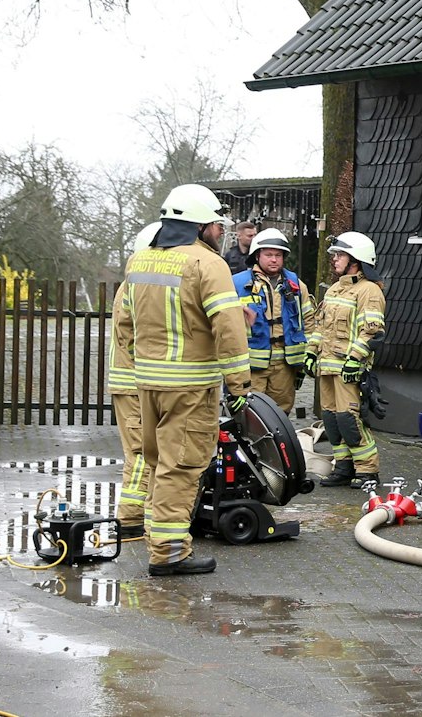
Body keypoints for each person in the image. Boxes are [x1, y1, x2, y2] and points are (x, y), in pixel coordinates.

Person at [112, 184, 250, 576]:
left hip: (146, 385)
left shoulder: (140, 261)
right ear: (200, 226)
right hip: (190, 388)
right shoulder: (208, 265)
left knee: (156, 463)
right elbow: (229, 328)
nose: (220, 234)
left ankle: (161, 541)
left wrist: (145, 363)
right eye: (216, 227)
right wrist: (239, 386)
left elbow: (124, 325)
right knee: (182, 465)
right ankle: (170, 553)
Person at [307, 231, 384, 489]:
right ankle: (343, 467)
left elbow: (372, 332)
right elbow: (320, 326)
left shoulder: (369, 291)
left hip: (349, 370)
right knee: (331, 420)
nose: (334, 259)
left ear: (356, 259)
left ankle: (367, 471)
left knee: (349, 420)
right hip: (327, 366)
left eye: (339, 255)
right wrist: (311, 351)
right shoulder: (335, 289)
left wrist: (355, 360)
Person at [107, 220, 161, 541]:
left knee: (143, 452)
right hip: (134, 383)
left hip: (131, 382)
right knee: (141, 453)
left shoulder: (132, 284)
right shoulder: (137, 287)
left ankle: (137, 518)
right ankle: (130, 519)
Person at [232, 229, 311, 413]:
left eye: (278, 255)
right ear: (257, 256)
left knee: (281, 415)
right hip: (251, 366)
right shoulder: (237, 284)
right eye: (268, 255)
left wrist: (304, 360)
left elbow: (309, 321)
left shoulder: (297, 285)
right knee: (252, 414)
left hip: (285, 366)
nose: (274, 259)